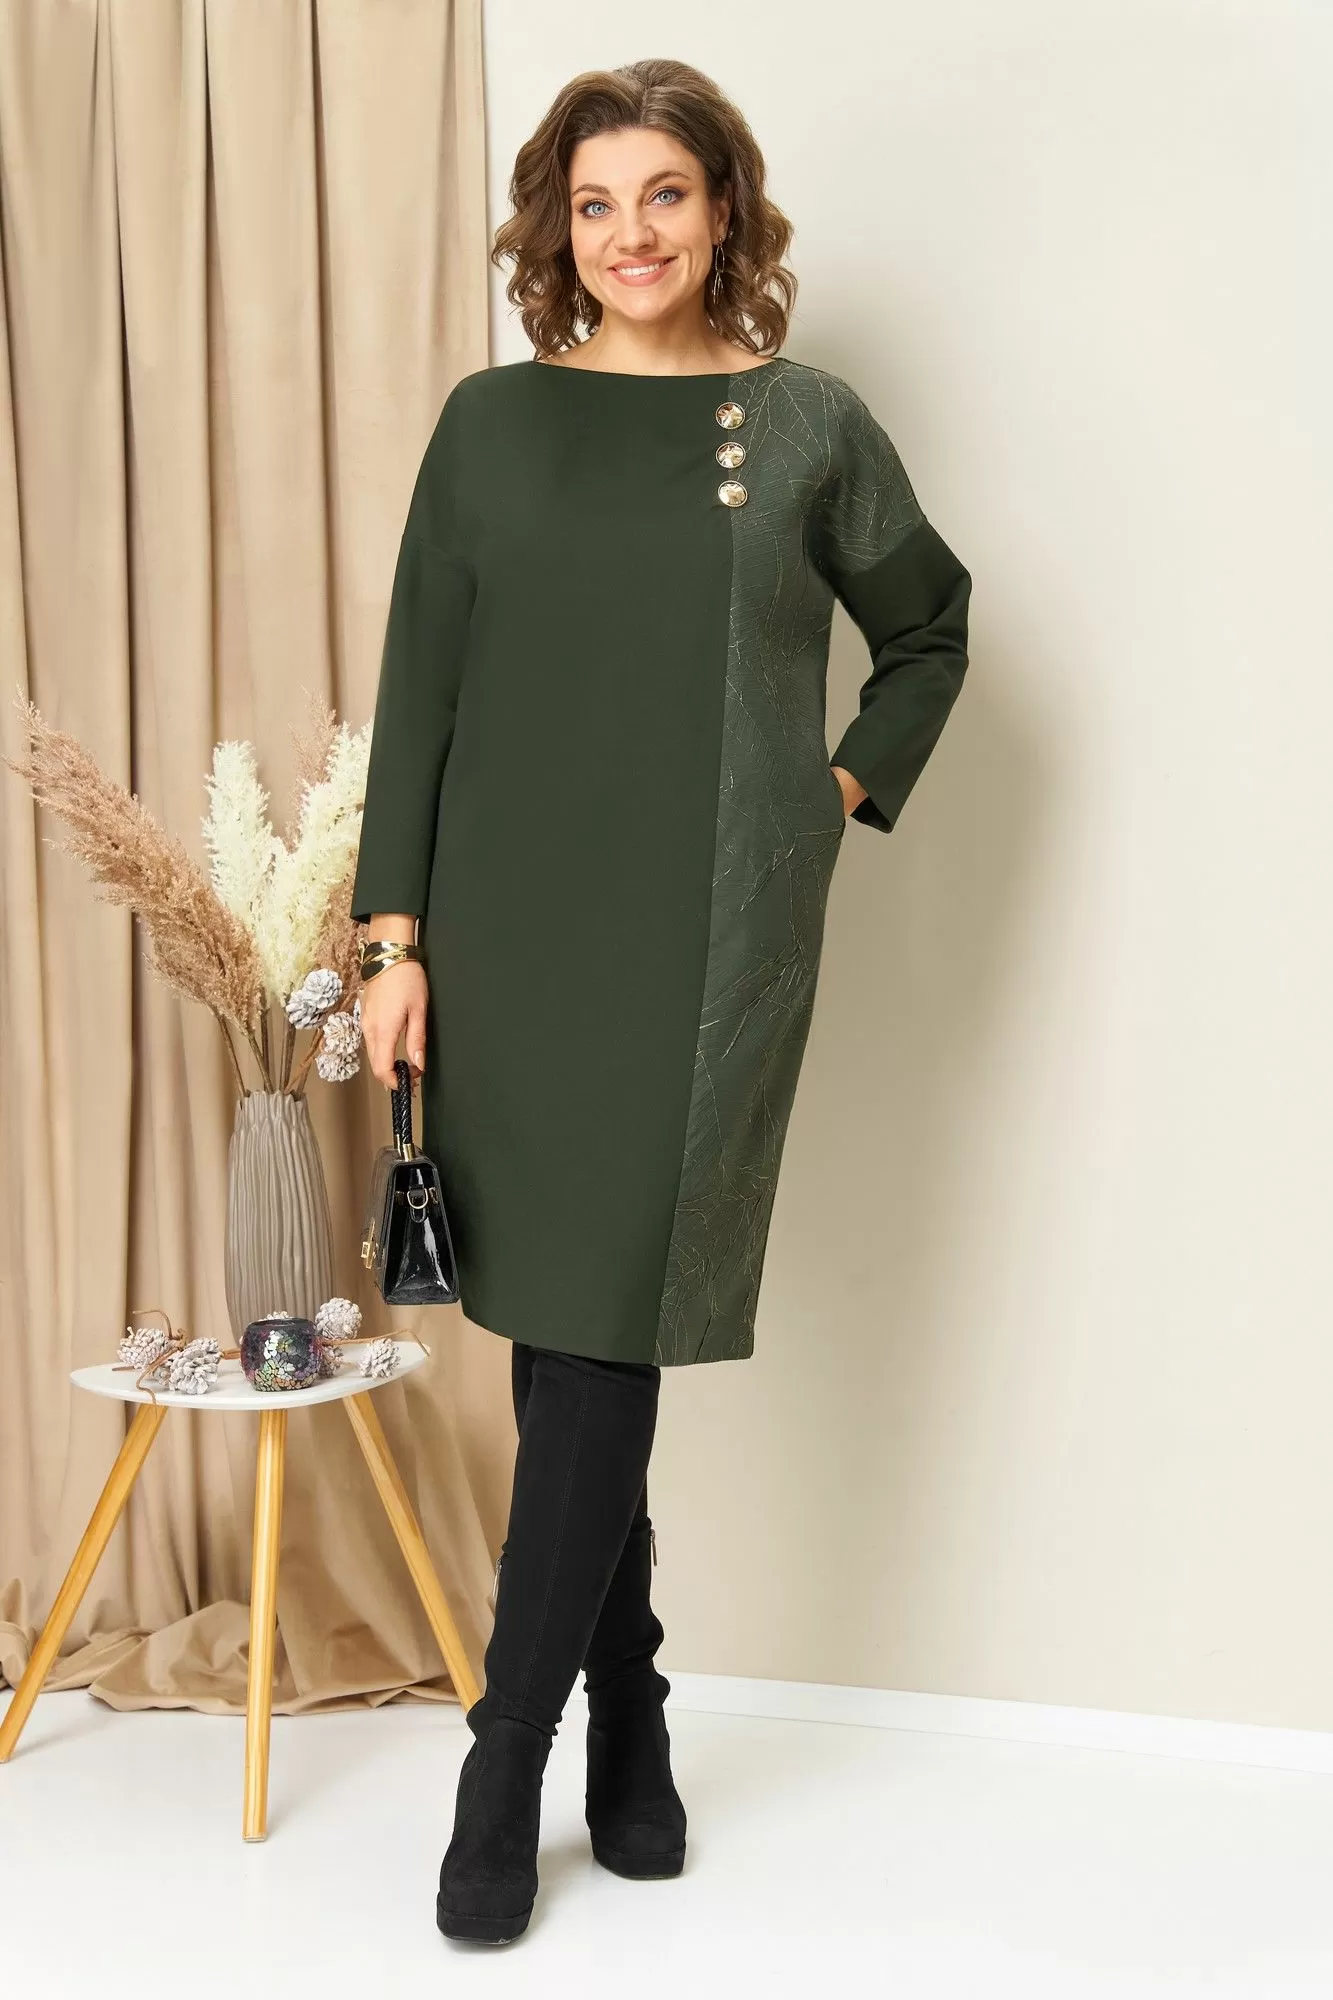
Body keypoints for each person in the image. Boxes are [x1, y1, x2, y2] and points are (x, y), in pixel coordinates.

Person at [350, 56, 971, 1947]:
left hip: (708, 932)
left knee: (602, 1333)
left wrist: (832, 792)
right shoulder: (491, 423)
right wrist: (389, 940)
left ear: (725, 212)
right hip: (504, 934)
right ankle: (631, 1713)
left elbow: (930, 625)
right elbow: (423, 689)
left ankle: (501, 1764)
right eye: (597, 202)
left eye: (667, 195)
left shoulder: (806, 424)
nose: (632, 235)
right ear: (561, 229)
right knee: (564, 1345)